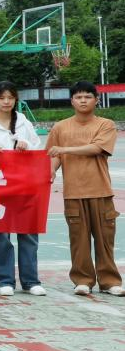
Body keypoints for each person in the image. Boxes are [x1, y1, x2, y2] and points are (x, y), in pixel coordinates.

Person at [46, 81, 124, 296]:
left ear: (96, 100)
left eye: (88, 97)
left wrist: (64, 149)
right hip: (73, 192)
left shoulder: (105, 124)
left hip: (101, 191)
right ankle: (82, 280)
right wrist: (51, 170)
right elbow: (53, 155)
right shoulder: (60, 127)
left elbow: (97, 148)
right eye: (78, 97)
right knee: (78, 240)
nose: (83, 101)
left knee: (105, 240)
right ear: (72, 101)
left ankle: (109, 281)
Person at [0, 82, 45, 296]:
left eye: (10, 97)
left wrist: (26, 145)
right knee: (2, 234)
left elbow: (37, 147)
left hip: (25, 183)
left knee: (28, 232)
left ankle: (30, 281)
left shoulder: (23, 122)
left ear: (16, 99)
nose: (6, 102)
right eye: (2, 97)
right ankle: (5, 281)